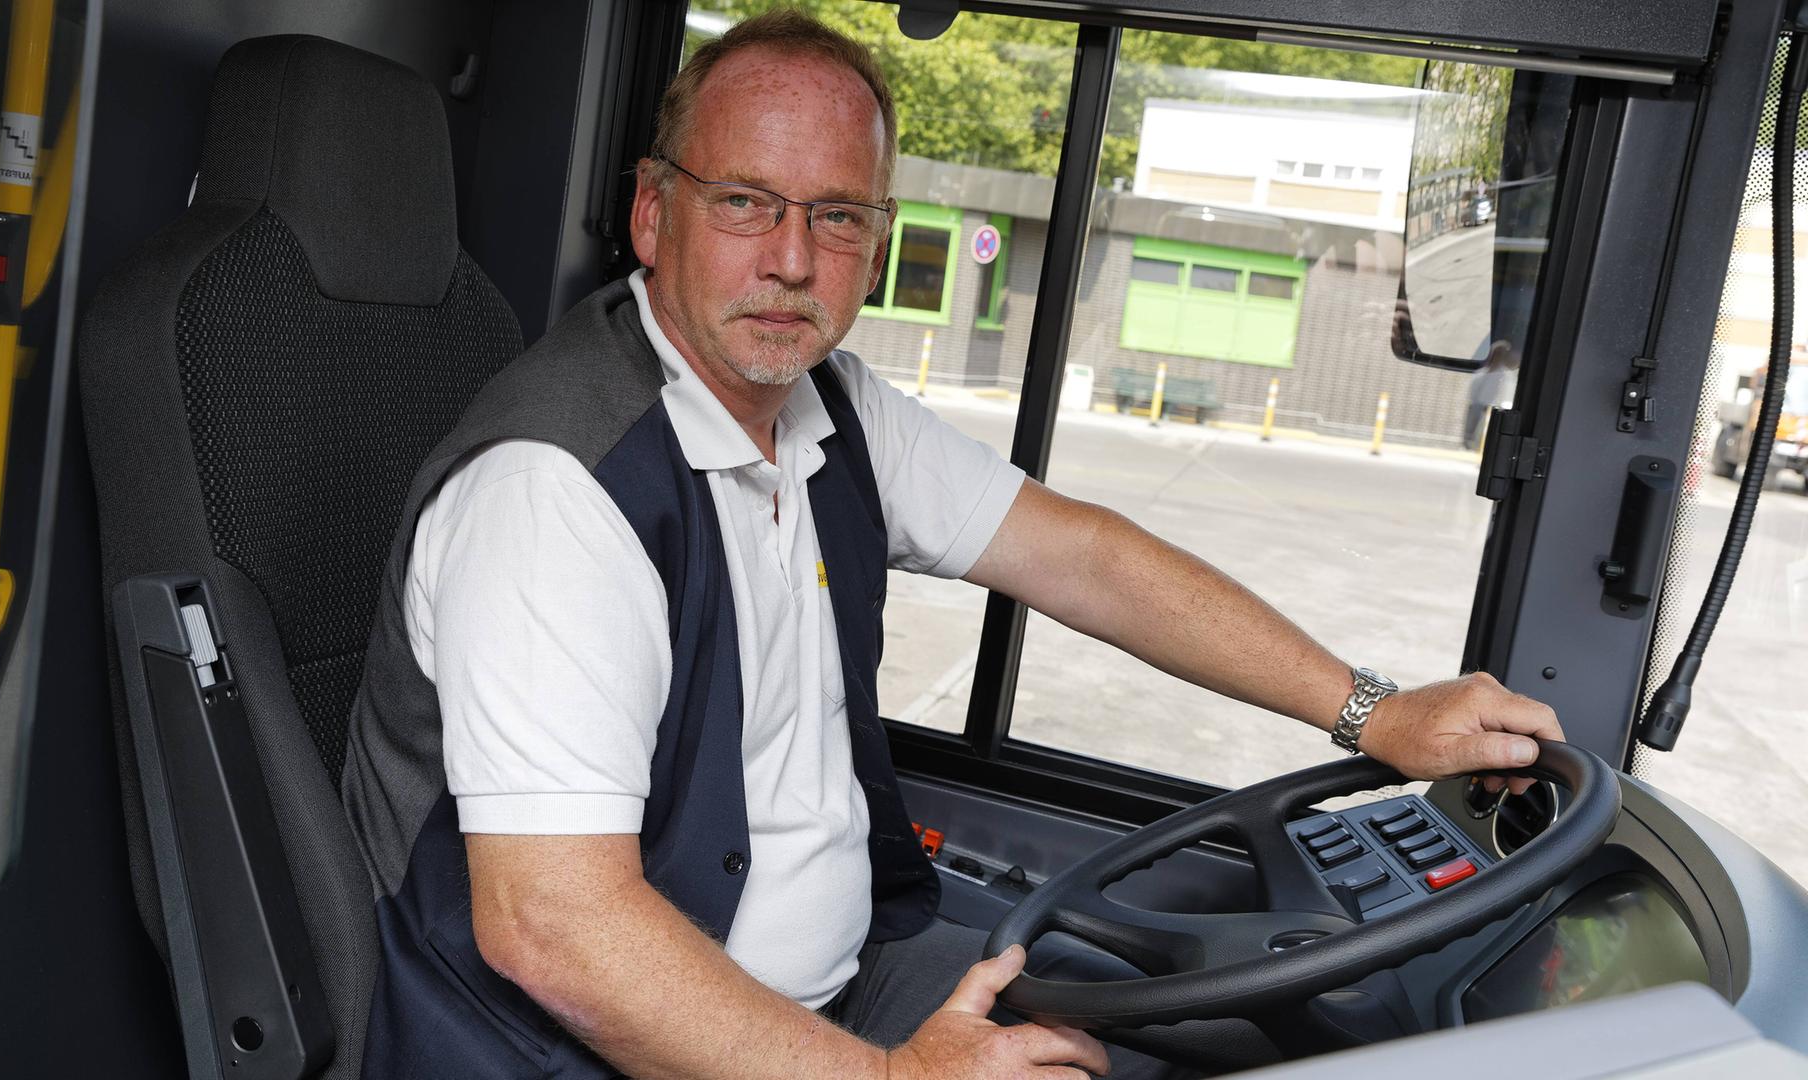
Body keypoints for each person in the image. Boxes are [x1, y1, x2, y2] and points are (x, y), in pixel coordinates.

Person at [342, 12, 1564, 1079]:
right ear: (654, 215)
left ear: (878, 240)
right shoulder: (554, 493)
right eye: (746, 204)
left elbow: (1085, 560)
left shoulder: (835, 410)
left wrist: (1373, 713)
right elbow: (555, 931)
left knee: (1196, 1041)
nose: (790, 258)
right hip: (584, 1050)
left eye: (836, 216)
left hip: (836, 978)